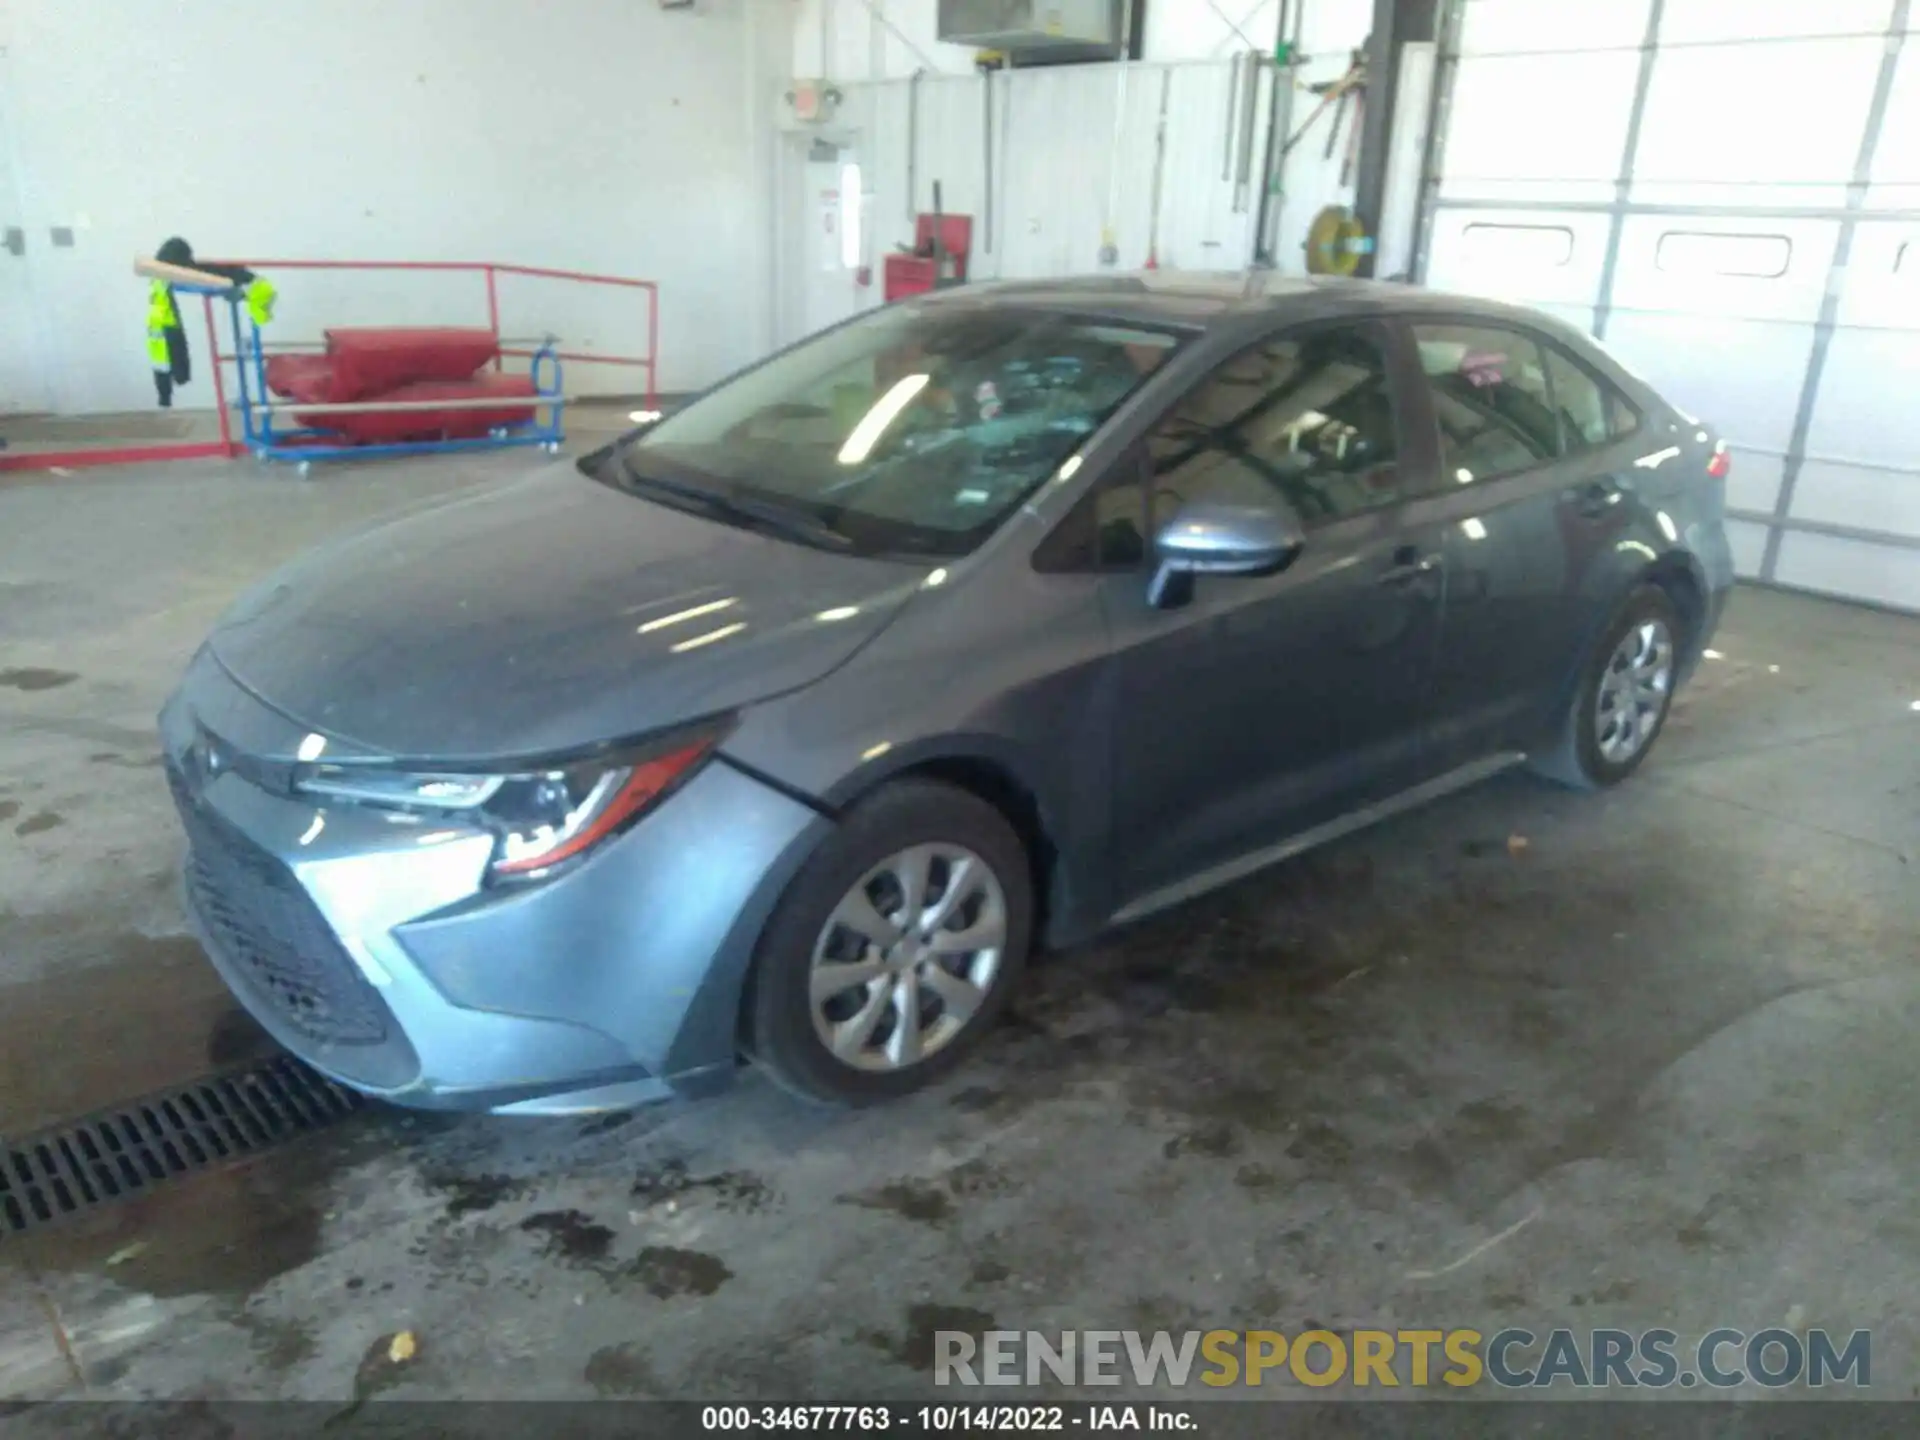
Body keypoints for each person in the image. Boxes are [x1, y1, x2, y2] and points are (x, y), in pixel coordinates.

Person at [146, 237, 277, 407]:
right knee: (246, 350)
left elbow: (212, 285)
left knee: (249, 351)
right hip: (251, 296)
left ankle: (244, 395)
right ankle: (242, 394)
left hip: (252, 296)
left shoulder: (175, 280)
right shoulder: (174, 279)